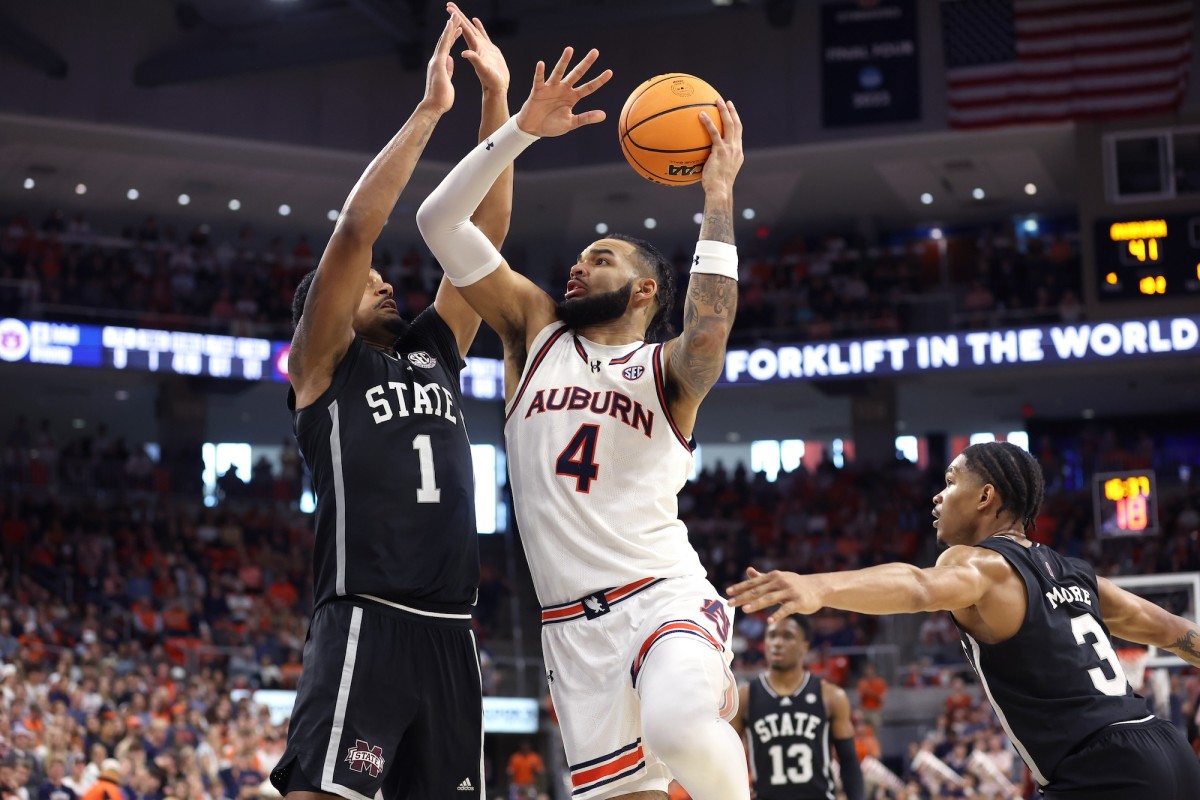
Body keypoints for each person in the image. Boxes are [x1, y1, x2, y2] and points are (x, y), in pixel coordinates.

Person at [417, 6, 746, 798]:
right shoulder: (533, 331)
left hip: (663, 593)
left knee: (678, 727)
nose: (576, 268)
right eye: (576, 256)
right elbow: (440, 220)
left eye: (597, 260)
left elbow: (708, 332)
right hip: (570, 631)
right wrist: (519, 127)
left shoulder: (665, 369)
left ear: (640, 290)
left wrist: (718, 196)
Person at [268, 10, 514, 800]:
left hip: (451, 631)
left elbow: (485, 241)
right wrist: (430, 111)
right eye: (367, 282)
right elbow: (353, 233)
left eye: (384, 280)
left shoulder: (432, 349)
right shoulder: (323, 365)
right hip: (365, 616)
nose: (384, 280)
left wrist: (498, 107)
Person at [728, 441, 1200, 799]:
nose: (938, 496)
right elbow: (1174, 631)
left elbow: (918, 587)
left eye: (951, 482)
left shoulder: (979, 563)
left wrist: (820, 587)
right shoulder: (1076, 573)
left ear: (985, 497)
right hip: (1168, 749)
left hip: (1105, 770)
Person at [731, 615, 864, 800]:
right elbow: (725, 758)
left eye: (787, 636)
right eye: (772, 635)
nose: (777, 642)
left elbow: (849, 762)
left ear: (805, 646)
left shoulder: (830, 696)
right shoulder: (746, 696)